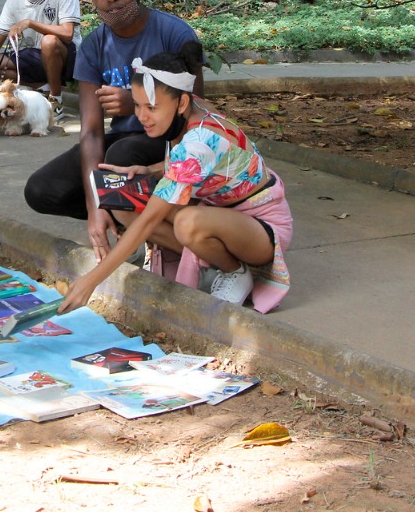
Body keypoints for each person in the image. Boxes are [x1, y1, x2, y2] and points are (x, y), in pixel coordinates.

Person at [57, 43, 293, 313]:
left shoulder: (201, 140)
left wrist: (91, 282)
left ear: (181, 102)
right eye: (137, 105)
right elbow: (209, 164)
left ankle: (235, 271)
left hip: (262, 227)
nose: (142, 116)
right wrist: (150, 170)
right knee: (124, 199)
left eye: (152, 107)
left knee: (186, 222)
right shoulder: (190, 110)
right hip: (219, 214)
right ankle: (208, 263)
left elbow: (151, 220)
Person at [23, 0, 201, 260]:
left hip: (173, 141)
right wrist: (96, 207)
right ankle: (122, 221)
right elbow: (91, 132)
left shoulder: (175, 33)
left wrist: (136, 103)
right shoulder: (93, 46)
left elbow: (198, 112)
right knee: (41, 189)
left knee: (119, 153)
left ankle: (157, 230)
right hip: (124, 140)